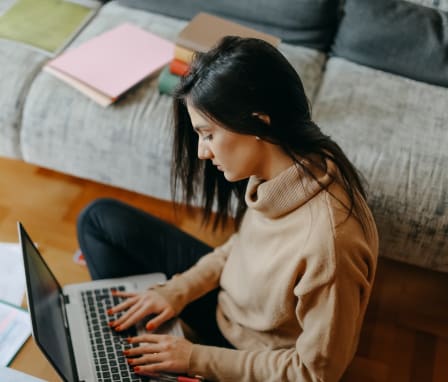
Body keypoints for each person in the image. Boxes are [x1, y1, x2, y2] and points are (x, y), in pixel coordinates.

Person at [77, 36, 378, 382]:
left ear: (259, 122)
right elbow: (244, 248)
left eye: (207, 135)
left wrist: (195, 358)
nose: (203, 152)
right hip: (231, 307)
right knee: (97, 219)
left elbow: (315, 373)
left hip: (254, 357)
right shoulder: (291, 166)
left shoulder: (331, 244)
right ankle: (132, 349)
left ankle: (130, 362)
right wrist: (178, 289)